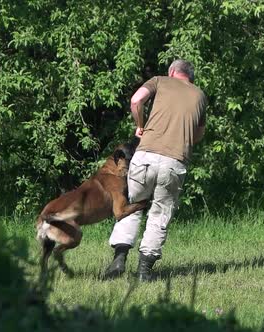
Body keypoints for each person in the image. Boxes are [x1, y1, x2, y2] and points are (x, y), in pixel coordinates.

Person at [103, 59, 207, 281]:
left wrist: (140, 125)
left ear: (172, 71)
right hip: (174, 162)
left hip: (145, 156)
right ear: (190, 76)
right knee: (160, 212)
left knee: (133, 204)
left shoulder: (159, 81)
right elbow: (198, 136)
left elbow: (136, 100)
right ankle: (143, 272)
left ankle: (119, 258)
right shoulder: (200, 95)